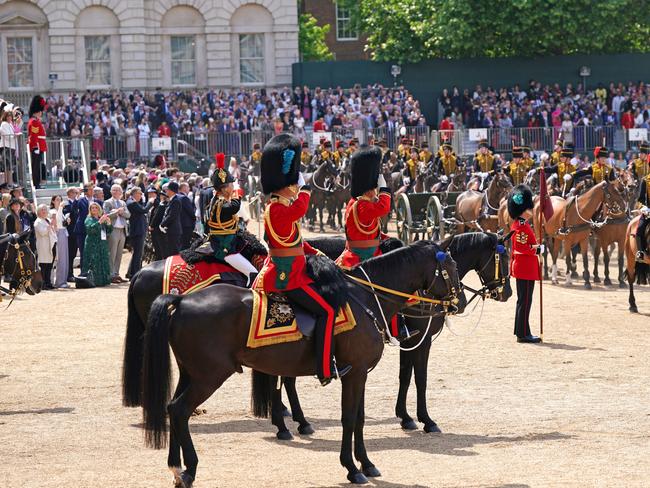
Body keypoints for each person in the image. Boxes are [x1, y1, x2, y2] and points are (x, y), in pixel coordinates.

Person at [252, 134, 351, 386]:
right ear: (283, 184)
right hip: (286, 276)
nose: (296, 188)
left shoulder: (280, 205)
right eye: (293, 183)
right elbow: (299, 210)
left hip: (293, 268)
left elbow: (293, 240)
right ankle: (324, 367)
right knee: (328, 312)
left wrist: (317, 253)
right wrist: (305, 186)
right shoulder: (277, 207)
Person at [207, 152, 257, 285]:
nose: (232, 186)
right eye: (230, 184)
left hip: (227, 240)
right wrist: (237, 194)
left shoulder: (219, 198)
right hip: (225, 246)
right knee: (253, 273)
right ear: (223, 189)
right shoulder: (221, 202)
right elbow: (234, 207)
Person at [508, 185, 543, 343]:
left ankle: (522, 330)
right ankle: (523, 334)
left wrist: (536, 247)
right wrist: (537, 250)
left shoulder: (522, 224)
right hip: (525, 267)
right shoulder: (521, 226)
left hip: (525, 267)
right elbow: (522, 248)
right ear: (523, 209)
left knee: (524, 300)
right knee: (525, 300)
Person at [103, 184, 130, 283]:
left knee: (119, 254)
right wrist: (116, 212)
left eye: (117, 190)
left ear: (121, 192)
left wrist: (121, 212)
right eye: (113, 190)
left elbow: (128, 215)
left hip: (122, 230)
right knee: (112, 253)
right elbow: (105, 215)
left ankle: (116, 273)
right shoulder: (107, 202)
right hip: (113, 229)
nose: (115, 192)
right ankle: (110, 274)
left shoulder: (123, 202)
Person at [126, 187, 155, 279]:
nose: (141, 195)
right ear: (134, 194)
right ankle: (135, 274)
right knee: (138, 254)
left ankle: (132, 273)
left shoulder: (133, 202)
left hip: (139, 230)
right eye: (139, 193)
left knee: (138, 253)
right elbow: (144, 210)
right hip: (137, 231)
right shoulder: (132, 202)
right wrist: (150, 202)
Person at [82, 201, 112, 287]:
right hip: (92, 243)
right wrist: (99, 222)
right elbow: (90, 230)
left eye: (96, 208)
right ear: (90, 210)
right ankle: (94, 281)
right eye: (92, 208)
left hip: (102, 243)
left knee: (103, 260)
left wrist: (109, 223)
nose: (94, 209)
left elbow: (108, 231)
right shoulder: (88, 219)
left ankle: (104, 280)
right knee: (94, 261)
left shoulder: (101, 218)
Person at [34, 204, 57, 290]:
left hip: (51, 244)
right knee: (44, 265)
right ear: (39, 212)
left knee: (49, 265)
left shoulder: (47, 220)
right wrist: (50, 226)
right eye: (42, 210)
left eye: (45, 210)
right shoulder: (38, 221)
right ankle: (43, 284)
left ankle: (48, 282)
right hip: (43, 245)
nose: (44, 211)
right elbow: (42, 232)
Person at [73, 182, 94, 270]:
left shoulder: (97, 200)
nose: (91, 191)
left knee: (93, 253)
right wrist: (77, 195)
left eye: (92, 188)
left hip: (94, 229)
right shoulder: (81, 200)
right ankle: (84, 273)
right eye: (89, 189)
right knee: (83, 252)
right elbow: (74, 208)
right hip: (82, 230)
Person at [27, 95, 47, 189]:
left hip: (39, 146)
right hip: (37, 146)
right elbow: (34, 135)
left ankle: (37, 183)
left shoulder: (35, 121)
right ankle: (36, 184)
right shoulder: (34, 121)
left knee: (38, 166)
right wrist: (35, 147)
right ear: (38, 111)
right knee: (36, 167)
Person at [50, 195, 70, 288]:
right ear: (53, 201)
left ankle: (63, 280)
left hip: (64, 233)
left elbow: (62, 223)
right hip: (59, 234)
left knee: (65, 258)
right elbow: (57, 221)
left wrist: (67, 220)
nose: (59, 201)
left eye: (60, 199)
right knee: (61, 258)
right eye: (57, 200)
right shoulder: (53, 211)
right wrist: (61, 207)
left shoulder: (60, 211)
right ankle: (59, 281)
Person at [159, 181, 182, 257]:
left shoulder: (176, 201)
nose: (166, 191)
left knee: (174, 252)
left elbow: (172, 215)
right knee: (170, 251)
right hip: (170, 230)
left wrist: (162, 224)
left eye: (167, 189)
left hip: (174, 231)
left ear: (171, 191)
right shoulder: (172, 200)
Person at [63, 187, 79, 282]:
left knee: (73, 254)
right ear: (69, 194)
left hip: (76, 232)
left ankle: (70, 273)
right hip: (70, 232)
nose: (76, 194)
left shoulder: (76, 203)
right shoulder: (67, 204)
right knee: (69, 254)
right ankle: (69, 274)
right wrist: (76, 200)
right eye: (74, 192)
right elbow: (71, 213)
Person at [149, 187, 167, 261]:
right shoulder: (161, 203)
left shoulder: (161, 204)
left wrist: (151, 225)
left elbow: (157, 216)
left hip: (157, 228)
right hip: (158, 228)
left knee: (159, 248)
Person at [635, 172, 649, 261]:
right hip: (648, 212)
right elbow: (640, 199)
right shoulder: (645, 180)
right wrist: (644, 208)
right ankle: (640, 252)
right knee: (639, 229)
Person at [178, 181, 196, 250]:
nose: (189, 189)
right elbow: (190, 212)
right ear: (184, 188)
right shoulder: (184, 198)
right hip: (186, 225)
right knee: (185, 244)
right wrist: (194, 219)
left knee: (181, 243)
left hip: (180, 224)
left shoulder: (177, 196)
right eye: (188, 187)